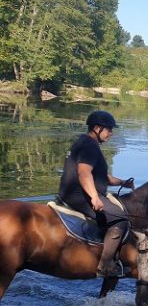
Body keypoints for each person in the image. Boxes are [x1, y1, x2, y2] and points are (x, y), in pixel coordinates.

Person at [57, 110, 135, 277]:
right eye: (109, 129)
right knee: (121, 220)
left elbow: (101, 176)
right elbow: (84, 173)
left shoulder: (84, 142)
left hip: (72, 192)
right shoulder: (90, 146)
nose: (111, 133)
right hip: (78, 195)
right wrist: (94, 197)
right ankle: (106, 265)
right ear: (97, 128)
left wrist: (122, 182)